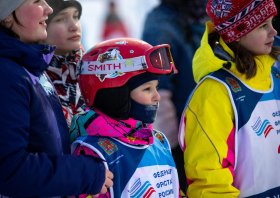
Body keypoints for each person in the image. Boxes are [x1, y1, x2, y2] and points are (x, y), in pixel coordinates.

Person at [0, 0, 113, 197]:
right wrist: (86, 174)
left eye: (76, 17)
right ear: (7, 15)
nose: (48, 9)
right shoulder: (7, 74)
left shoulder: (30, 65)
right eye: (36, 1)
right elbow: (9, 170)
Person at [178, 0, 280, 197]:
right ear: (238, 34)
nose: (273, 32)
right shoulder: (214, 92)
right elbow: (209, 181)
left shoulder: (274, 72)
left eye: (272, 22)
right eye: (263, 26)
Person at [69, 38, 180, 198]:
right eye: (147, 89)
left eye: (156, 87)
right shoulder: (94, 153)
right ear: (115, 95)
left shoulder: (159, 142)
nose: (157, 96)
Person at [142, 0, 208, 193]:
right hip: (183, 139)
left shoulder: (201, 17)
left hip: (208, 129)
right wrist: (171, 151)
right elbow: (157, 91)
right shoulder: (160, 25)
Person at [42, 0, 84, 128]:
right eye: (60, 19)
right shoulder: (33, 77)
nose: (74, 26)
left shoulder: (96, 69)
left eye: (75, 16)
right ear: (41, 25)